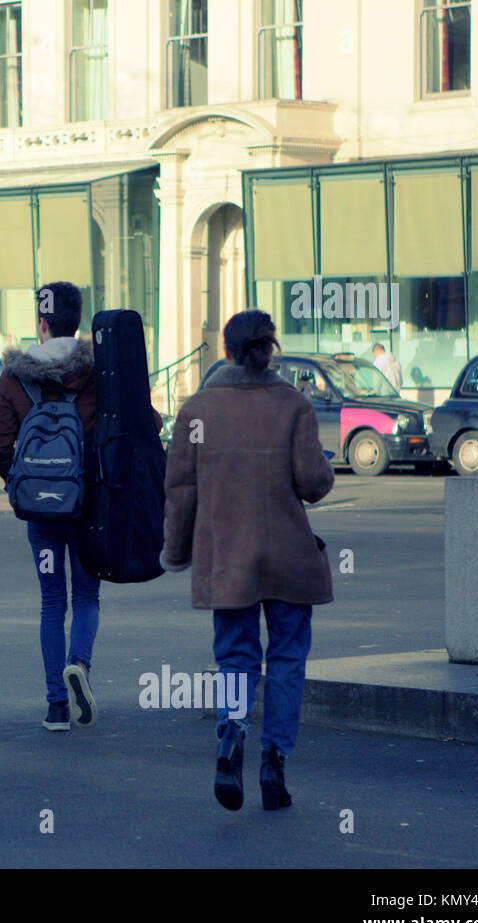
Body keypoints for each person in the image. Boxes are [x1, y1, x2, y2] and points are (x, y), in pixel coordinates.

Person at [162, 309, 335, 813]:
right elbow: (315, 484)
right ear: (270, 350)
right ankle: (274, 761)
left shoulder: (197, 412)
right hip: (288, 556)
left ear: (226, 350)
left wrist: (176, 553)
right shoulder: (294, 405)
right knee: (286, 660)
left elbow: (181, 491)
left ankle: (231, 734)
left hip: (227, 557)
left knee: (235, 658)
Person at [0, 282, 163, 731]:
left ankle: (55, 707)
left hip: (42, 512)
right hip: (89, 508)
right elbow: (144, 421)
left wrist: (21, 487)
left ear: (41, 324)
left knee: (51, 602)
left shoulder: (13, 377)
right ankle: (79, 665)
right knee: (86, 594)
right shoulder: (97, 370)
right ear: (77, 321)